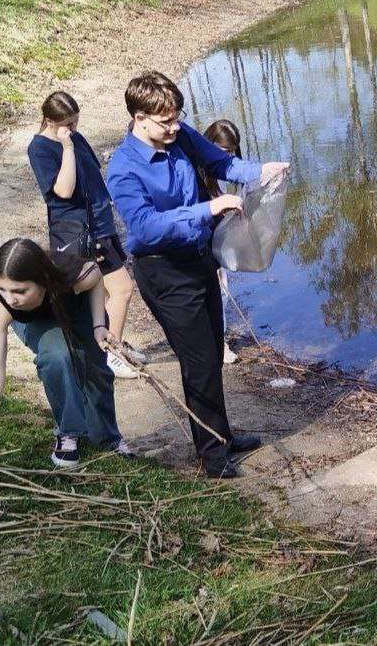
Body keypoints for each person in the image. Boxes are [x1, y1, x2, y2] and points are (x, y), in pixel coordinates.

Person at [105, 71, 289, 478]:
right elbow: (146, 228)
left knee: (211, 355)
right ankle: (212, 456)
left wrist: (262, 171)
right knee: (199, 361)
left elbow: (222, 162)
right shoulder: (123, 169)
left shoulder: (181, 136)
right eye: (165, 122)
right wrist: (208, 208)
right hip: (164, 271)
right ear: (139, 118)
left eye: (178, 117)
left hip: (200, 259)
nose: (175, 127)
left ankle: (220, 436)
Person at [0, 239, 133, 470]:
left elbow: (97, 276)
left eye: (20, 290)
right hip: (39, 321)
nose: (10, 298)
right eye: (2, 288)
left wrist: (99, 325)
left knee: (94, 370)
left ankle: (108, 437)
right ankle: (68, 433)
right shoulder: (0, 306)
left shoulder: (69, 274)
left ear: (42, 280)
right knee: (57, 355)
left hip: (75, 305)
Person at [27, 91, 145, 379]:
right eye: (67, 124)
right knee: (122, 289)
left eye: (76, 122)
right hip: (78, 232)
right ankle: (111, 354)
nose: (73, 128)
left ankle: (110, 343)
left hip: (101, 225)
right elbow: (64, 190)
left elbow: (94, 179)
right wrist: (67, 148)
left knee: (104, 292)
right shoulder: (40, 149)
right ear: (49, 121)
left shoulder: (76, 137)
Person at [202, 119, 244, 365]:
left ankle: (218, 339)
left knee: (222, 292)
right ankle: (219, 345)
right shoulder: (198, 172)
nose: (228, 157)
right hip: (203, 245)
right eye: (224, 151)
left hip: (217, 244)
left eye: (232, 152)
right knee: (217, 293)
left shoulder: (222, 173)